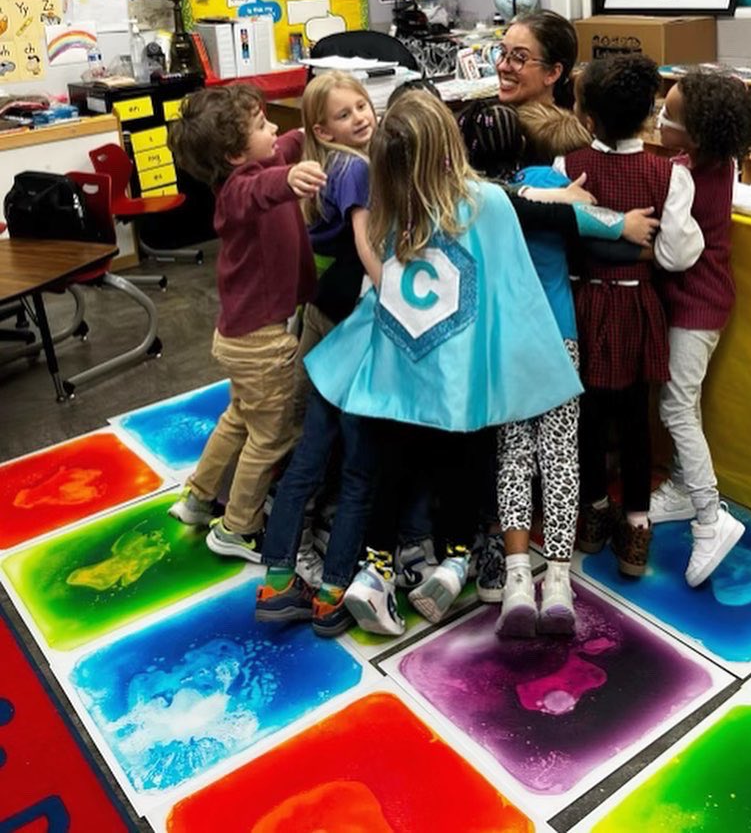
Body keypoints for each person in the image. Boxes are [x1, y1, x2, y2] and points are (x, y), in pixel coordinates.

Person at [300, 92, 583, 636]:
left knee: (391, 468)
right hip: (462, 375)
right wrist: (535, 363)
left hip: (397, 370)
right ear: (450, 144)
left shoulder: (389, 205)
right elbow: (514, 291)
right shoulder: (485, 203)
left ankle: (375, 571)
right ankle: (456, 563)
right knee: (468, 461)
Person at [458, 100, 658, 637]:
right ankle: (561, 584)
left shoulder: (468, 197)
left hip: (503, 341)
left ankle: (519, 577)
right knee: (561, 456)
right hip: (557, 335)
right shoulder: (546, 178)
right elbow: (588, 230)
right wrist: (624, 229)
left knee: (514, 456)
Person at [166, 84, 325, 560]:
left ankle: (198, 497)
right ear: (236, 154)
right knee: (271, 435)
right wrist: (291, 177)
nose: (272, 128)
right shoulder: (238, 191)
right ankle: (237, 527)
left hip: (240, 334)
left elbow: (288, 143)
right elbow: (262, 190)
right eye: (261, 125)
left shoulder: (263, 159)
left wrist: (316, 125)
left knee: (238, 417)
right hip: (261, 340)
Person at [562, 55, 704, 577]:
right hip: (639, 305)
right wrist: (640, 251)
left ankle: (595, 513)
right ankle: (637, 529)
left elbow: (565, 236)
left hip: (588, 303)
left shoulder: (569, 165)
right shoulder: (669, 175)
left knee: (589, 416)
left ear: (590, 119)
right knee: (636, 421)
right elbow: (679, 254)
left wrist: (601, 245)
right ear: (648, 115)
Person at [255, 72, 383, 636]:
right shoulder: (354, 167)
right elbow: (365, 241)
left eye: (362, 105)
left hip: (321, 312)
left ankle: (277, 579)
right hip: (353, 323)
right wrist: (398, 292)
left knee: (312, 446)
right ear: (320, 129)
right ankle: (333, 593)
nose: (360, 117)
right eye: (344, 114)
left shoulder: (322, 163)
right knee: (357, 460)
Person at [650, 71, 751, 585]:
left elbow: (675, 251)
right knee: (684, 399)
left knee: (675, 405)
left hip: (698, 303)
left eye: (669, 116)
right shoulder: (712, 161)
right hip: (694, 302)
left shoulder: (685, 174)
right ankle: (679, 484)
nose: (660, 119)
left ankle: (709, 517)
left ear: (695, 135)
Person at [495, 10, 578, 110]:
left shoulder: (556, 125)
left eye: (519, 58)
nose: (502, 66)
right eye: (503, 52)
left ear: (552, 73)